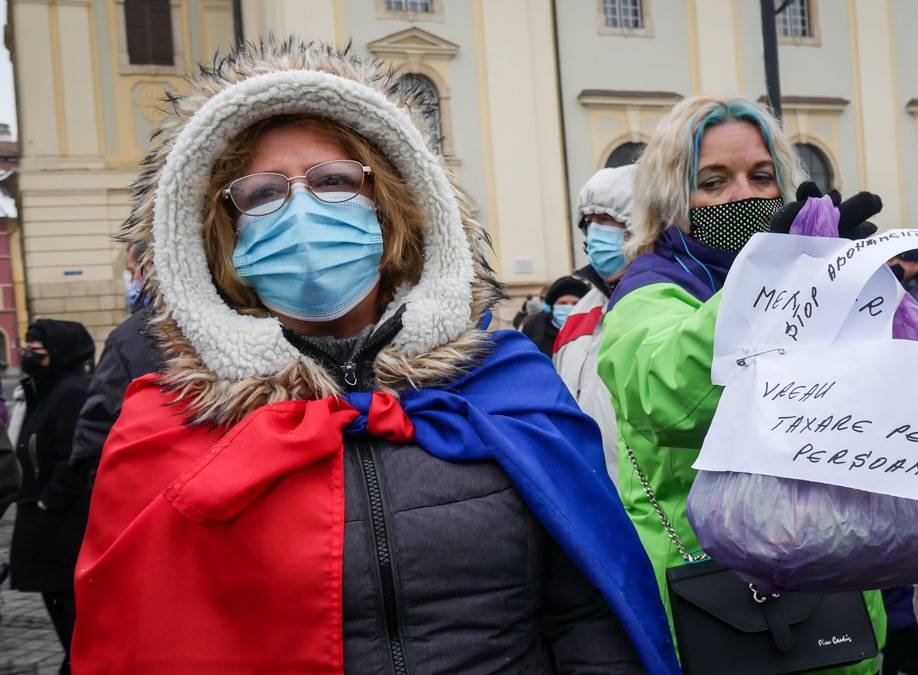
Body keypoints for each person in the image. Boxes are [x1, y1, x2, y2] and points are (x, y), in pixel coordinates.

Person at [71, 41, 677, 674]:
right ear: (223, 233)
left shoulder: (507, 381)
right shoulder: (169, 423)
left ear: (390, 209)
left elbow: (587, 611)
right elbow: (146, 641)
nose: (302, 209)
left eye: (333, 181)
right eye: (261, 194)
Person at [595, 95, 887, 673]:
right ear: (675, 198)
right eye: (713, 181)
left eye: (761, 176)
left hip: (834, 596)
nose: (744, 196)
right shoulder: (649, 292)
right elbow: (669, 398)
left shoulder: (813, 282)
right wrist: (770, 289)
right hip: (716, 612)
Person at [9, 319, 94, 675]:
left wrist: (50, 500)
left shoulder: (71, 391)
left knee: (72, 617)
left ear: (59, 354)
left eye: (37, 352)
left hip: (61, 530)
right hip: (46, 526)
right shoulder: (45, 388)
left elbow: (73, 454)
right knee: (62, 613)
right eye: (27, 350)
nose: (28, 356)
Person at [552, 164, 636, 484]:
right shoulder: (578, 314)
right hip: (588, 491)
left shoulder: (673, 299)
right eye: (589, 222)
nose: (595, 232)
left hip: (652, 508)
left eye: (606, 220)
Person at [69, 242, 166, 491]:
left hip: (148, 494)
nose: (133, 277)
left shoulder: (130, 336)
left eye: (135, 269)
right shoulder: (254, 316)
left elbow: (96, 433)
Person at [519, 274, 588, 356]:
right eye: (563, 303)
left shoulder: (594, 330)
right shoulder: (534, 326)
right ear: (553, 306)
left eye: (575, 303)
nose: (569, 307)